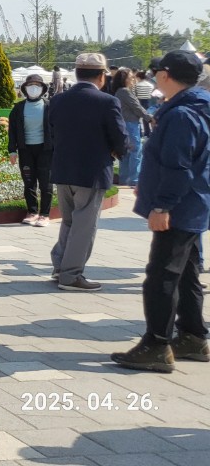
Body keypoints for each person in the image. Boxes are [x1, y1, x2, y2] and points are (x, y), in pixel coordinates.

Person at [111, 50, 210, 372]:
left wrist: (162, 204)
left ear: (167, 75)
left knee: (161, 276)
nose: (154, 77)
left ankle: (156, 344)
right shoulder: (194, 106)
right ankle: (193, 337)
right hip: (192, 202)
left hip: (179, 206)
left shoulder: (182, 114)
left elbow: (179, 166)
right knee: (187, 273)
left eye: (157, 73)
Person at [47, 53, 128, 291]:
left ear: (77, 72)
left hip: (63, 168)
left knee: (69, 222)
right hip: (92, 171)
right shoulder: (107, 101)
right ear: (102, 76)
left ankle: (61, 266)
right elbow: (120, 137)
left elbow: (53, 132)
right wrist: (117, 152)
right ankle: (71, 275)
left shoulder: (58, 100)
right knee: (84, 225)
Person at [8, 74, 54, 227]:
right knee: (29, 181)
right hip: (25, 149)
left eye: (37, 85)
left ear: (42, 89)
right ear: (25, 88)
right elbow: (12, 130)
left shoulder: (49, 106)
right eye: (30, 85)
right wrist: (12, 151)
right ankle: (32, 211)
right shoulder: (18, 108)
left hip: (45, 150)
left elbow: (56, 129)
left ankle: (45, 214)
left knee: (46, 182)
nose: (34, 88)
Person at [108, 67, 153, 187]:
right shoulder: (125, 91)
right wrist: (150, 118)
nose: (133, 79)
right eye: (131, 77)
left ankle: (125, 178)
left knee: (127, 153)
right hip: (131, 124)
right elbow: (136, 107)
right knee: (136, 152)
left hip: (125, 123)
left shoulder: (120, 91)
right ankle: (134, 179)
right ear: (125, 79)